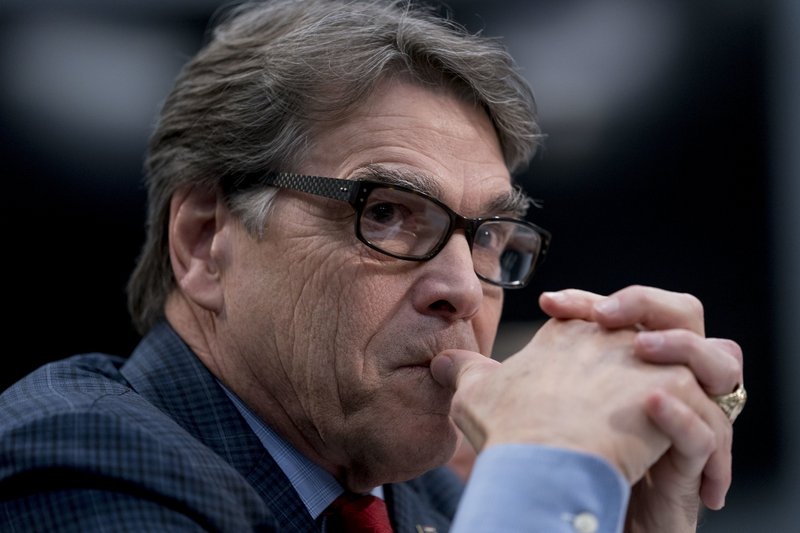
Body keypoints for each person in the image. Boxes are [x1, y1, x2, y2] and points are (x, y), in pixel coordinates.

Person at [0, 1, 745, 531]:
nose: (462, 289)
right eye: (386, 212)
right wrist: (542, 470)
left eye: (487, 236)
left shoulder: (430, 499)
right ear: (203, 241)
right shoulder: (79, 459)